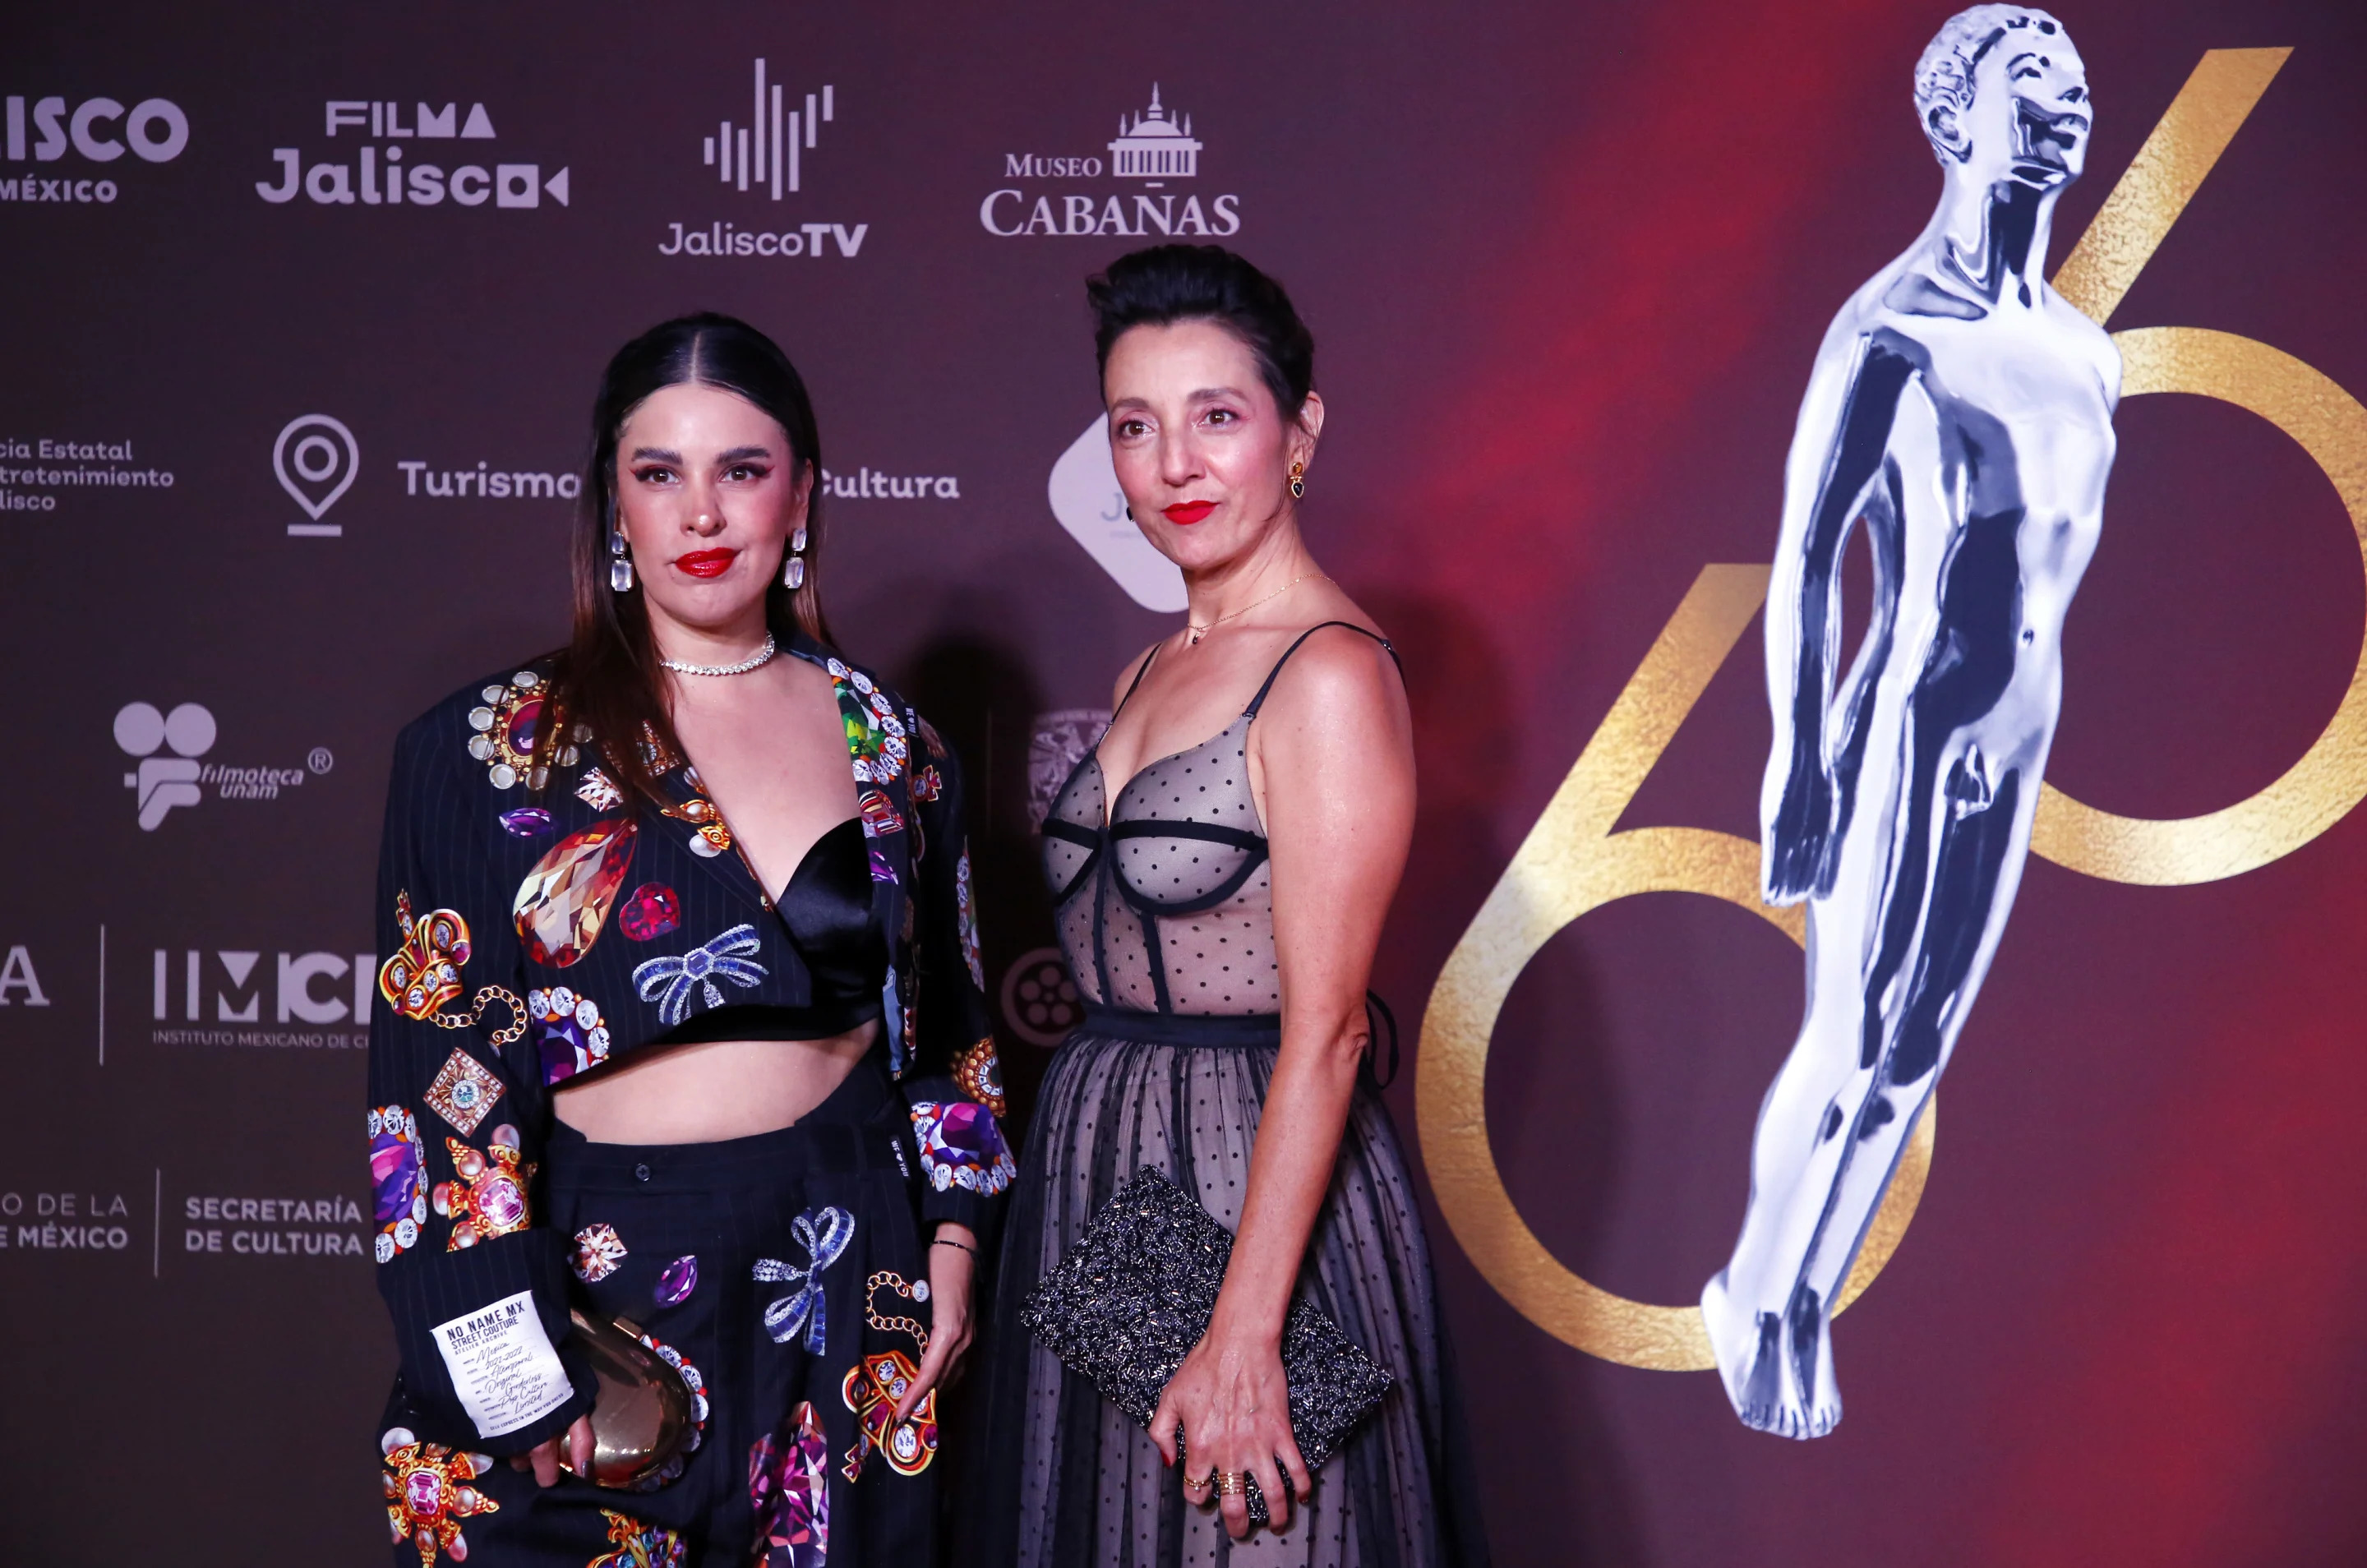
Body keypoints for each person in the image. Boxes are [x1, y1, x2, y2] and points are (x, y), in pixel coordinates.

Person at [367, 312, 1013, 1566]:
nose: (700, 514)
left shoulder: (897, 745)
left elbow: (951, 1037)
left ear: (804, 495)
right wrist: (506, 1368)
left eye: (743, 470)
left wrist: (948, 1240)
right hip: (597, 1279)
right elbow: (437, 1095)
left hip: (849, 1253)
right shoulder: (489, 746)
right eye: (658, 473)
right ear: (613, 503)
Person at [971, 245, 1489, 1565]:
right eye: (1135, 428)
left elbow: (1326, 1032)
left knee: (1249, 1534)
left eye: (1218, 417)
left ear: (1298, 432)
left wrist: (1246, 1337)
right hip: (1103, 1179)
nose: (1177, 466)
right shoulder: (1156, 659)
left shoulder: (1328, 675)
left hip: (1252, 1192)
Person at [1700, 6, 2117, 1440]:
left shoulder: (2082, 349)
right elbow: (1812, 559)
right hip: (1910, 718)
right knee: (1851, 1028)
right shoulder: (1893, 332)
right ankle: (1754, 1292)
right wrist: (1800, 757)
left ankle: (1807, 1286)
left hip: (2023, 729)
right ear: (1954, 120)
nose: (2061, 108)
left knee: (1923, 1041)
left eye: (2072, 86)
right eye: (2028, 87)